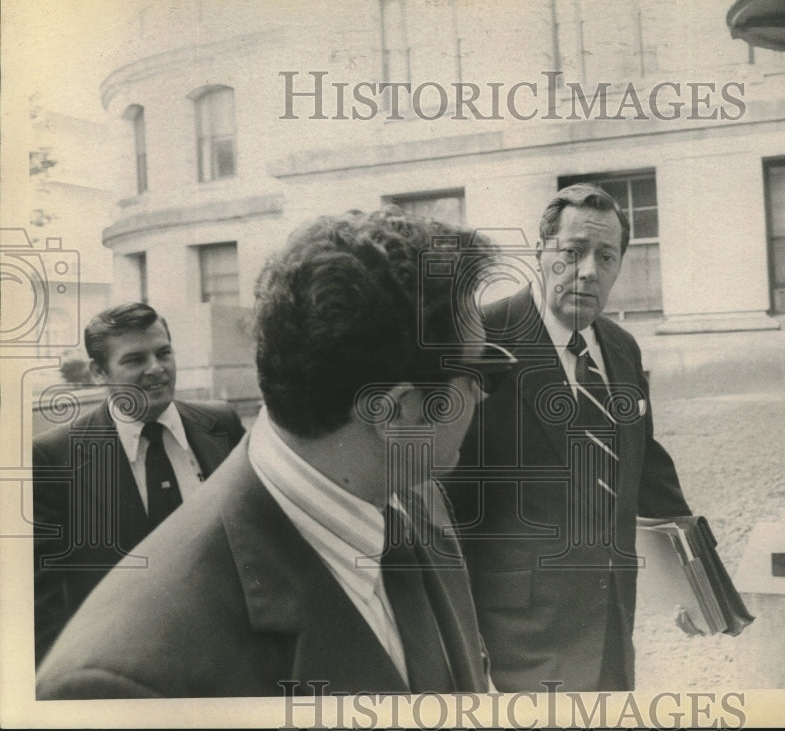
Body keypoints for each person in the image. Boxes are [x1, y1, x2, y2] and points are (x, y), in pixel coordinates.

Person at [36, 209, 507, 699]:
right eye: (482, 372)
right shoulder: (125, 680)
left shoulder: (411, 491)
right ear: (396, 413)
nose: (485, 394)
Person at [445, 183, 691, 692]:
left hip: (611, 626)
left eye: (606, 256)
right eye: (572, 253)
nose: (588, 272)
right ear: (540, 251)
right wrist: (462, 647)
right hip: (515, 642)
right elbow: (444, 497)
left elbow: (648, 471)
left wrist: (696, 584)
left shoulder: (622, 348)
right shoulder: (482, 338)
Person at [32, 302, 245, 665]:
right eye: (134, 360)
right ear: (99, 373)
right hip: (120, 674)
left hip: (230, 662)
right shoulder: (55, 456)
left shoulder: (222, 425)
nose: (156, 369)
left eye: (164, 353)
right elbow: (39, 602)